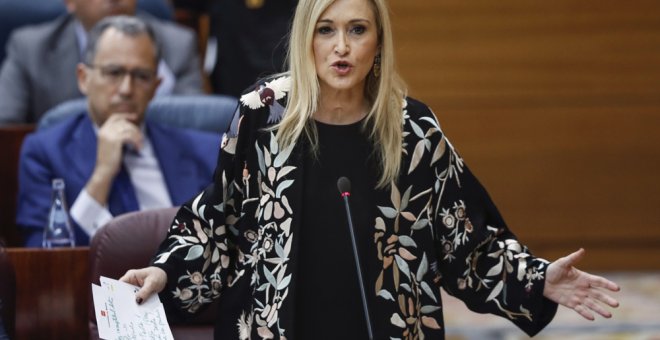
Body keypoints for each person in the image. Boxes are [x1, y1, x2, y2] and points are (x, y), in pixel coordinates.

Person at [121, 0, 620, 338]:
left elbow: (464, 236)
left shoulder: (413, 130)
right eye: (327, 30)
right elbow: (221, 217)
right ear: (306, 38)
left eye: (357, 30)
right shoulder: (262, 113)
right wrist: (167, 270)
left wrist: (535, 278)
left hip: (386, 325)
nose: (341, 47)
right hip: (278, 323)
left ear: (377, 43)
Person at [16, 16, 219, 248]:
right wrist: (101, 176)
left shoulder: (209, 151)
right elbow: (45, 260)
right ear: (83, 78)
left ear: (156, 86)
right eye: (113, 73)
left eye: (141, 76)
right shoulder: (44, 153)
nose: (126, 89)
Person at [0, 0, 204, 125]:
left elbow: (195, 122)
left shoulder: (177, 44)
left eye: (142, 76)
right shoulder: (30, 48)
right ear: (69, 1)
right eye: (114, 72)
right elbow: (6, 129)